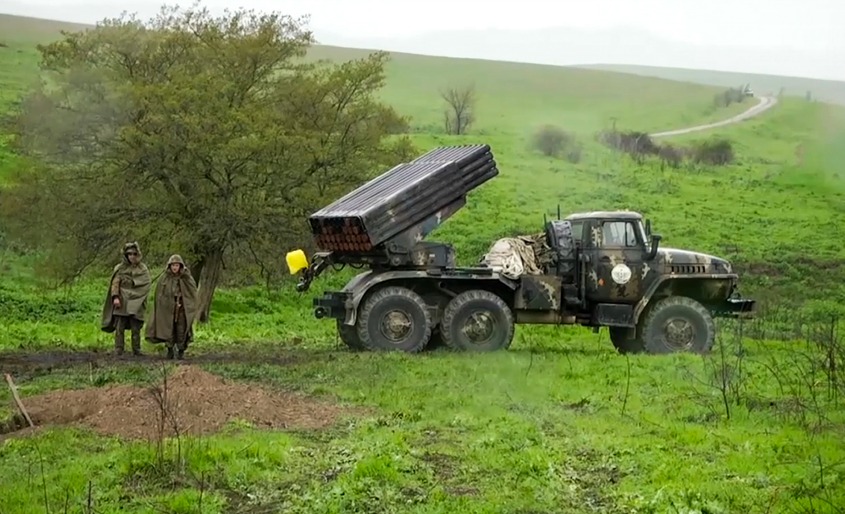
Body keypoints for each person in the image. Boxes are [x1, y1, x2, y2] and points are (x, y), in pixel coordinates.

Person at [101, 242, 152, 356]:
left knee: (136, 327)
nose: (132, 256)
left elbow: (146, 284)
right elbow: (115, 284)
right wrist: (115, 297)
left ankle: (136, 349)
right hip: (122, 301)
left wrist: (139, 297)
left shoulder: (143, 269)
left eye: (134, 254)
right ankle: (119, 349)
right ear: (126, 255)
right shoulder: (120, 268)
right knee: (120, 327)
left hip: (137, 302)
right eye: (129, 254)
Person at [145, 254, 199, 360]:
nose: (175, 267)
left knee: (181, 330)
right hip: (168, 310)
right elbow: (160, 295)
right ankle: (169, 350)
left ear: (180, 266)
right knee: (168, 330)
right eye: (173, 265)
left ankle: (180, 351)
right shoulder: (164, 278)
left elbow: (191, 293)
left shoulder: (186, 278)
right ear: (170, 266)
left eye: (177, 265)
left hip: (182, 310)